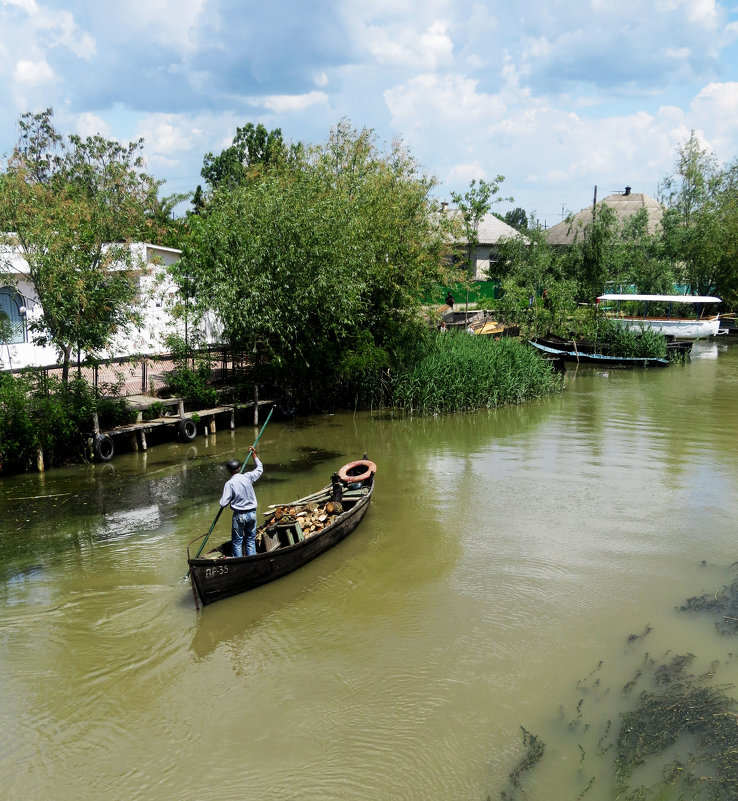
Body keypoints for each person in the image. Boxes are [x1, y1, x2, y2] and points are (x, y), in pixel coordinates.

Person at [220, 446, 263, 557]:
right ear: (239, 468)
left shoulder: (230, 484)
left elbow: (223, 503)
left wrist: (231, 498)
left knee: (237, 542)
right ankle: (252, 559)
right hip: (252, 514)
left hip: (239, 515)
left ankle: (238, 561)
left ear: (229, 471)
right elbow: (259, 468)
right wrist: (254, 456)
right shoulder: (248, 477)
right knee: (250, 539)